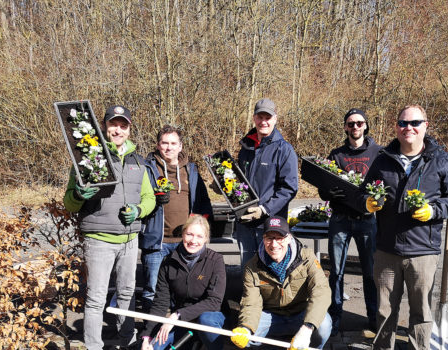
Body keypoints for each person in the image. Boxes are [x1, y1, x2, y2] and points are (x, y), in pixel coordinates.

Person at [360, 105, 448, 350]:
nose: (408, 128)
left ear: (425, 126)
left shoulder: (440, 161)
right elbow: (363, 193)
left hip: (422, 251)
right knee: (384, 311)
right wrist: (366, 202)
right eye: (403, 123)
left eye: (415, 123)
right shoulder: (382, 160)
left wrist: (434, 210)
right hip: (387, 249)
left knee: (421, 313)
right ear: (396, 127)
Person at [63, 105, 156, 350]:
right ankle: (94, 346)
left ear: (129, 129)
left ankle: (128, 342)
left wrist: (139, 211)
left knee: (127, 295)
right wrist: (80, 194)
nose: (118, 130)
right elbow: (69, 203)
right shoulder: (87, 154)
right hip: (99, 239)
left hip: (129, 240)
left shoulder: (139, 160)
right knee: (95, 299)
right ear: (104, 126)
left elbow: (149, 198)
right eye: (113, 124)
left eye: (123, 125)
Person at [318, 108, 382, 336]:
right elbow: (322, 188)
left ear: (366, 125)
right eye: (351, 123)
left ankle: (373, 317)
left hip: (367, 221)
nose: (355, 127)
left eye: (359, 123)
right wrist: (329, 193)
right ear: (345, 127)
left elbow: (386, 184)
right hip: (340, 220)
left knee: (370, 272)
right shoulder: (336, 154)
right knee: (336, 272)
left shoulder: (378, 152)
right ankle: (335, 317)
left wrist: (380, 199)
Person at [140, 125, 213, 312]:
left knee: (181, 290)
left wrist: (201, 234)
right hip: (157, 242)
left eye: (173, 143)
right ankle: (150, 333)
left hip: (184, 242)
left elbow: (203, 204)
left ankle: (175, 331)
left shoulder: (191, 171)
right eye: (165, 143)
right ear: (158, 145)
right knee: (152, 290)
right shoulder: (147, 169)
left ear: (180, 146)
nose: (169, 147)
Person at [230, 216, 333, 350]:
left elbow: (321, 291)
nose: (274, 244)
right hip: (271, 316)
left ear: (289, 238)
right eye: (269, 238)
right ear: (263, 239)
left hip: (301, 313)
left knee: (323, 326)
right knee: (246, 337)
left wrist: (307, 328)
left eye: (279, 238)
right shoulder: (252, 266)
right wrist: (245, 327)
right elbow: (251, 302)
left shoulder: (306, 257)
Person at [140, 215, 226, 350]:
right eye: (189, 234)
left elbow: (214, 301)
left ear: (206, 239)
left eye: (199, 236)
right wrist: (147, 337)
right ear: (183, 234)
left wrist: (177, 315)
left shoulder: (216, 260)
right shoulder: (168, 262)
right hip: (183, 321)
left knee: (206, 320)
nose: (193, 240)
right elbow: (160, 303)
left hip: (209, 317)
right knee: (155, 347)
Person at [235, 98, 299, 268]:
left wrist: (264, 209)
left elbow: (289, 188)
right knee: (247, 270)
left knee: (271, 270)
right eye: (260, 117)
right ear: (254, 118)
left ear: (275, 119)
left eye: (267, 117)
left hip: (270, 225)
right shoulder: (246, 147)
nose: (263, 122)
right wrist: (225, 184)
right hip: (245, 222)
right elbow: (241, 182)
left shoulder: (284, 150)